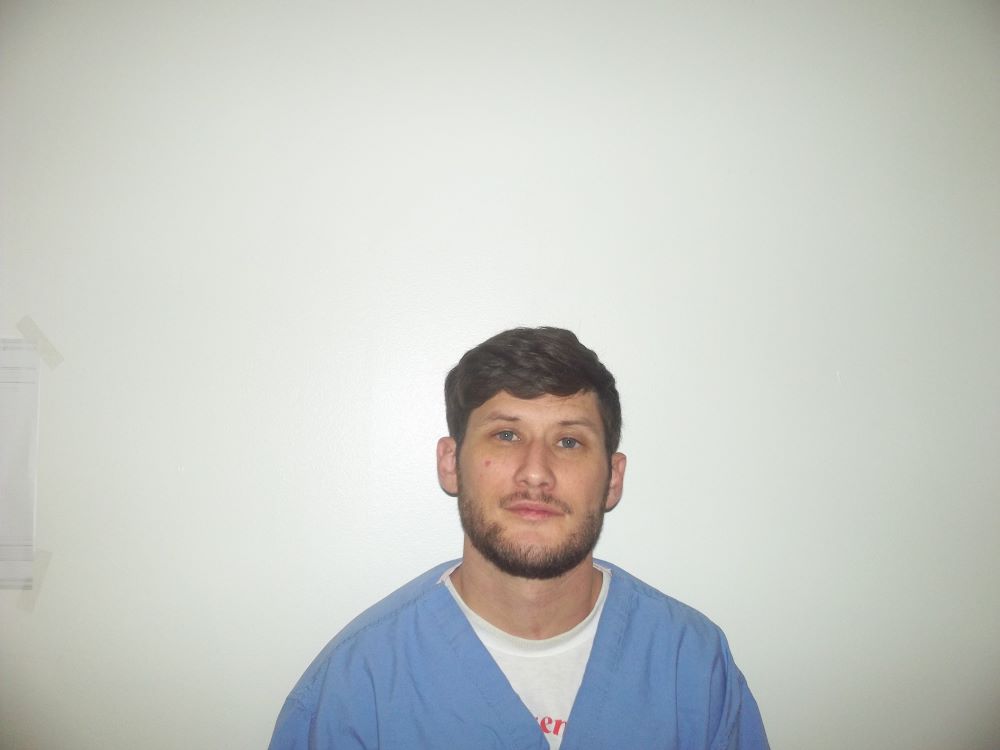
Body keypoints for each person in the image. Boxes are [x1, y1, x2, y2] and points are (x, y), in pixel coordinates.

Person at [269, 326, 769, 749]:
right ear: (451, 463)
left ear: (613, 478)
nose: (536, 473)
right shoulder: (356, 686)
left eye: (569, 441)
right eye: (507, 435)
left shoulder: (693, 665)